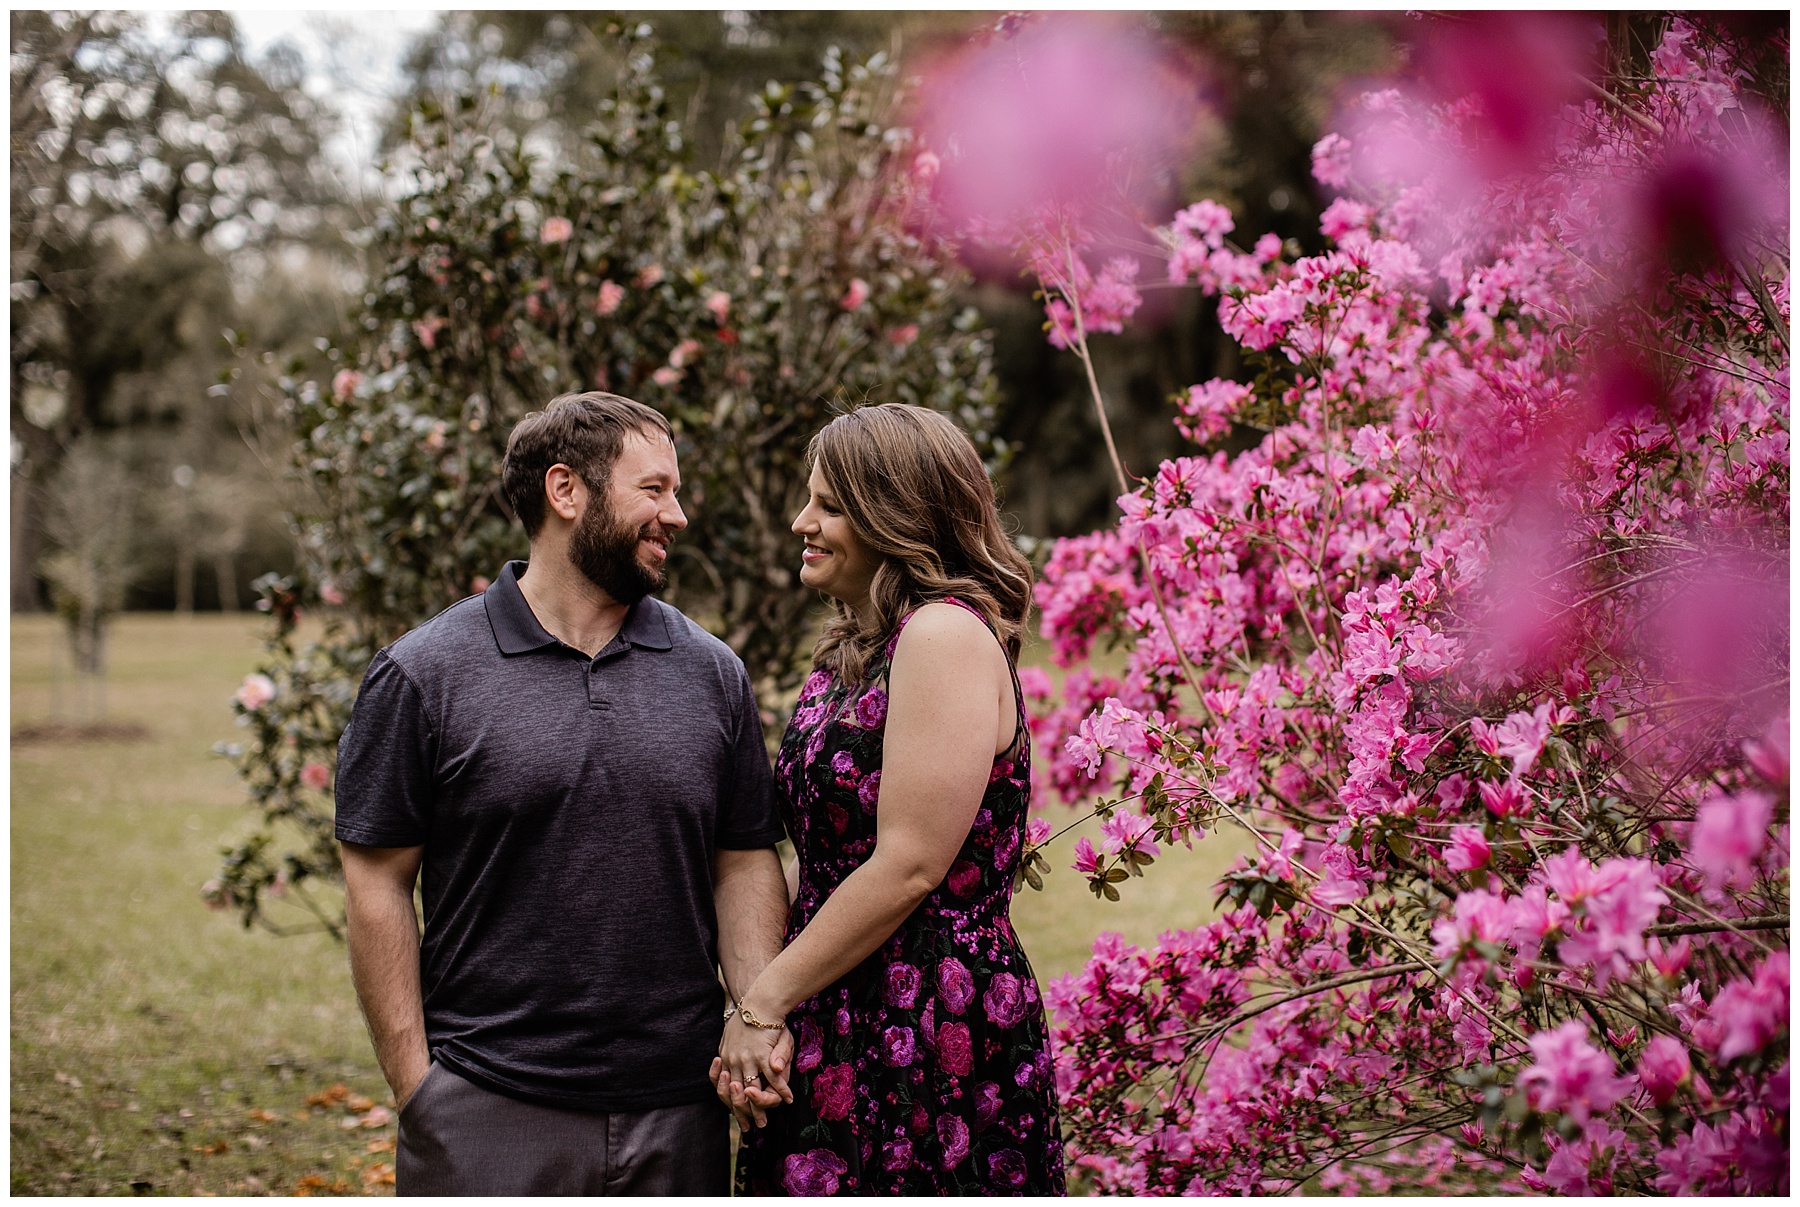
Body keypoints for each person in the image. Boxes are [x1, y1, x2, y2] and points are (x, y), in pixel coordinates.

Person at [334, 391, 790, 1195]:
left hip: (678, 1110)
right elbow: (377, 880)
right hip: (487, 1105)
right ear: (566, 490)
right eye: (654, 489)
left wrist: (754, 1020)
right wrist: (419, 1092)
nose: (677, 514)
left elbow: (743, 860)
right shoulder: (422, 672)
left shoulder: (712, 672)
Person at [716, 403, 1067, 1195]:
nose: (803, 520)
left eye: (830, 505)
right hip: (835, 990)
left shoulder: (944, 635)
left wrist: (761, 1002)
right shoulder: (852, 650)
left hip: (927, 1013)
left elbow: (910, 861)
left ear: (897, 515)